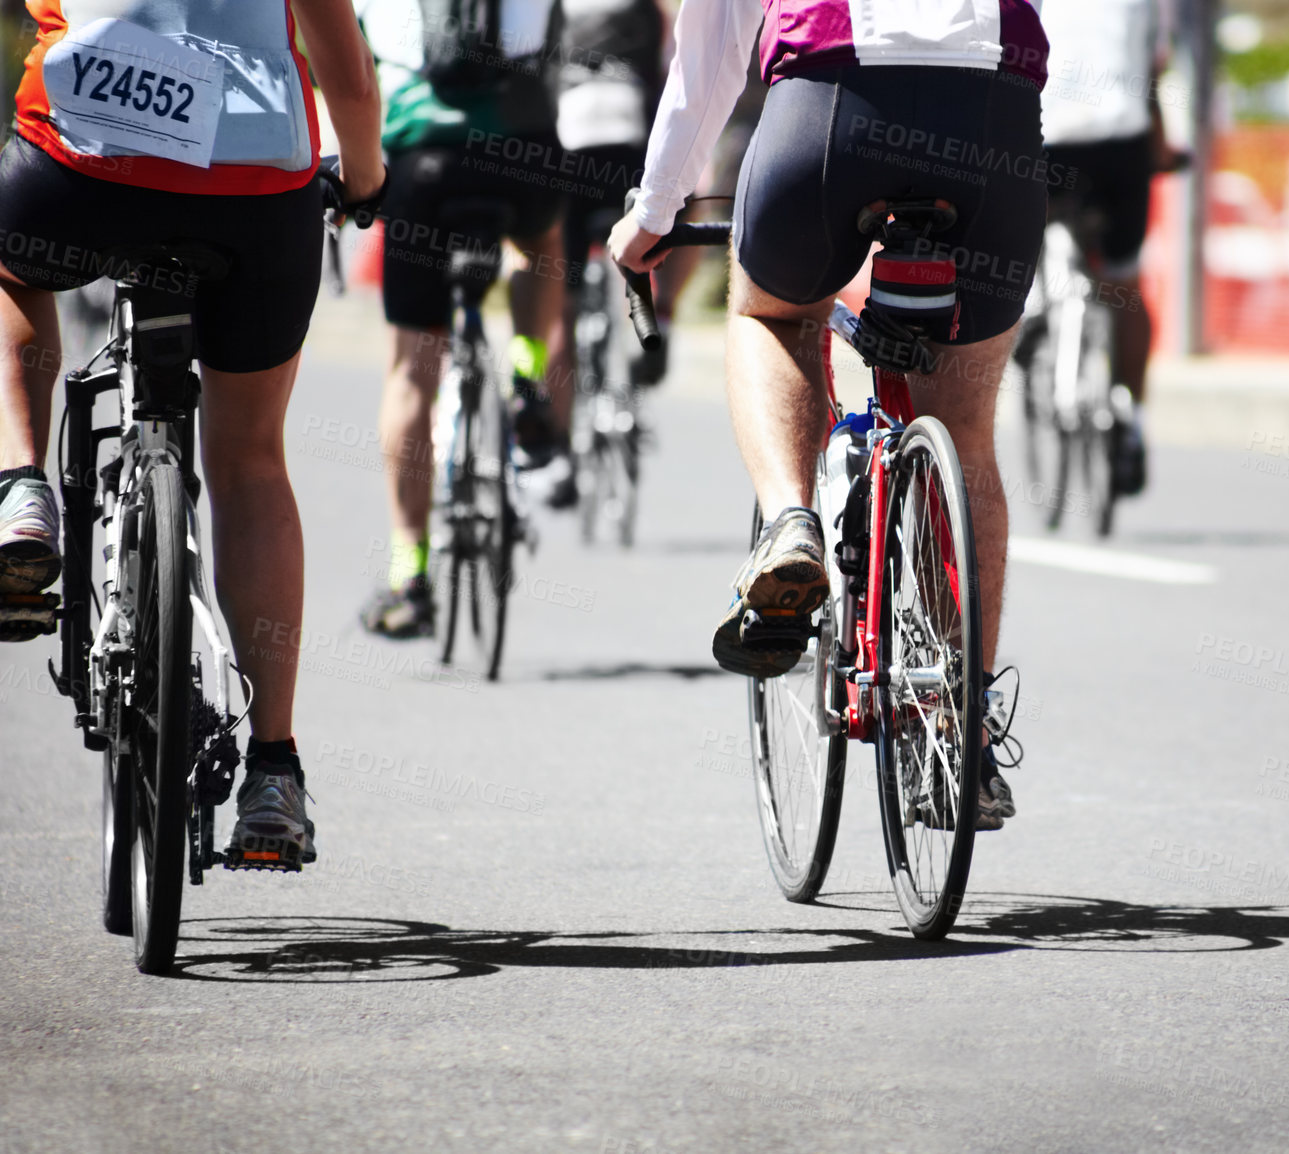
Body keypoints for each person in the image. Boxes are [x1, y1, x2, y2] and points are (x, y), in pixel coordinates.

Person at [610, 0, 1051, 830]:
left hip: (832, 97)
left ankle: (789, 522)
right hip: (992, 115)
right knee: (968, 438)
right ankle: (964, 731)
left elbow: (711, 57)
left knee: (773, 314)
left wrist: (656, 212)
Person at [0, 0, 386, 865]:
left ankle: (21, 489)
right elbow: (349, 76)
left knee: (13, 273)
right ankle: (275, 771)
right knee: (250, 461)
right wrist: (364, 180)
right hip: (255, 189)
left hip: (80, 164)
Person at [354, 0, 568, 636]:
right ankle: (528, 376)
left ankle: (408, 573)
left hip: (421, 162)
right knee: (543, 244)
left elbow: (354, 62)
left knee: (412, 366)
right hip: (523, 153)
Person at [1036, 0, 1181, 498]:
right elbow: (1151, 66)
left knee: (1024, 229)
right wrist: (1161, 147)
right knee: (1124, 278)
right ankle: (1132, 417)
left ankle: (1036, 311)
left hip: (1048, 136)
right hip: (1122, 140)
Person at [527, 0, 668, 509]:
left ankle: (558, 450)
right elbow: (661, 73)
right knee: (648, 239)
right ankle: (657, 317)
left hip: (569, 136)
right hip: (627, 131)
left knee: (561, 299)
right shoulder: (645, 8)